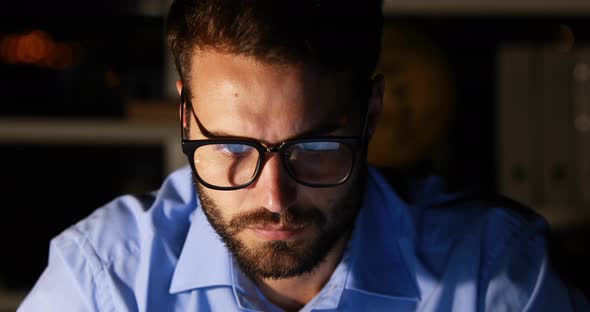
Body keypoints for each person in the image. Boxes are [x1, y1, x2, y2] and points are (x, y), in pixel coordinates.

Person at [19, 1, 588, 311]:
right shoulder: (103, 282)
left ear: (370, 114)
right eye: (232, 147)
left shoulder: (493, 275)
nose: (274, 199)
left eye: (314, 146)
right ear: (187, 117)